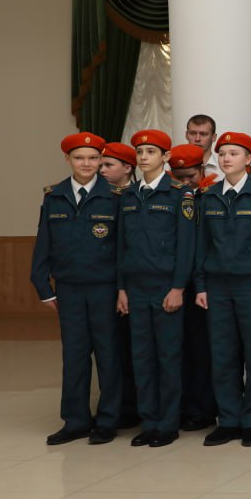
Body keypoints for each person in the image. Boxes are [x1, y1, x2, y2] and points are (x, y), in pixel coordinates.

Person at [31, 133, 123, 445]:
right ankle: (75, 420)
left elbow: (123, 248)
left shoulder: (115, 196)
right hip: (69, 289)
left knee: (109, 355)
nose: (86, 163)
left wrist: (122, 289)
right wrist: (43, 286)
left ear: (100, 160)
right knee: (74, 355)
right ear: (68, 159)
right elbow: (44, 242)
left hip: (105, 289)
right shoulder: (54, 196)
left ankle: (108, 420)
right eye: (79, 158)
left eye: (93, 158)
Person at [193, 131, 251, 448]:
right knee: (222, 354)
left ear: (248, 159)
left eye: (234, 153)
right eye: (223, 153)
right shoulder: (209, 196)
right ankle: (228, 419)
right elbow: (201, 245)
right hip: (217, 286)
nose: (227, 158)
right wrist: (200, 284)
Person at [117, 129, 196, 448]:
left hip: (165, 287)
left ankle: (168, 422)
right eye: (140, 152)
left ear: (166, 157)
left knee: (168, 356)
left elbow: (186, 246)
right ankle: (148, 421)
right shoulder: (128, 195)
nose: (144, 157)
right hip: (136, 287)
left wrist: (178, 287)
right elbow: (121, 246)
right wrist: (121, 288)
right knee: (141, 356)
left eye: (151, 152)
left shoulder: (179, 194)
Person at [167, 143, 218, 429]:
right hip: (172, 282)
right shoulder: (169, 197)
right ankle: (178, 406)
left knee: (202, 347)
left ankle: (203, 408)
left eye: (191, 176)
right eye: (180, 177)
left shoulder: (211, 197)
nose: (187, 182)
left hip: (204, 285)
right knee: (176, 348)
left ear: (202, 170)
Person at [99, 142, 140, 429]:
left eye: (108, 165)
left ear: (127, 167)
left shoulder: (134, 196)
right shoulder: (101, 197)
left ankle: (136, 405)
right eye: (100, 165)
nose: (101, 170)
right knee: (112, 350)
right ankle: (118, 407)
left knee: (134, 348)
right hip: (108, 282)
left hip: (134, 283)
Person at [185, 114, 219, 179]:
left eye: (203, 134)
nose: (197, 139)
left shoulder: (224, 168)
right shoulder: (172, 167)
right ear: (186, 135)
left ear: (213, 137)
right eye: (193, 133)